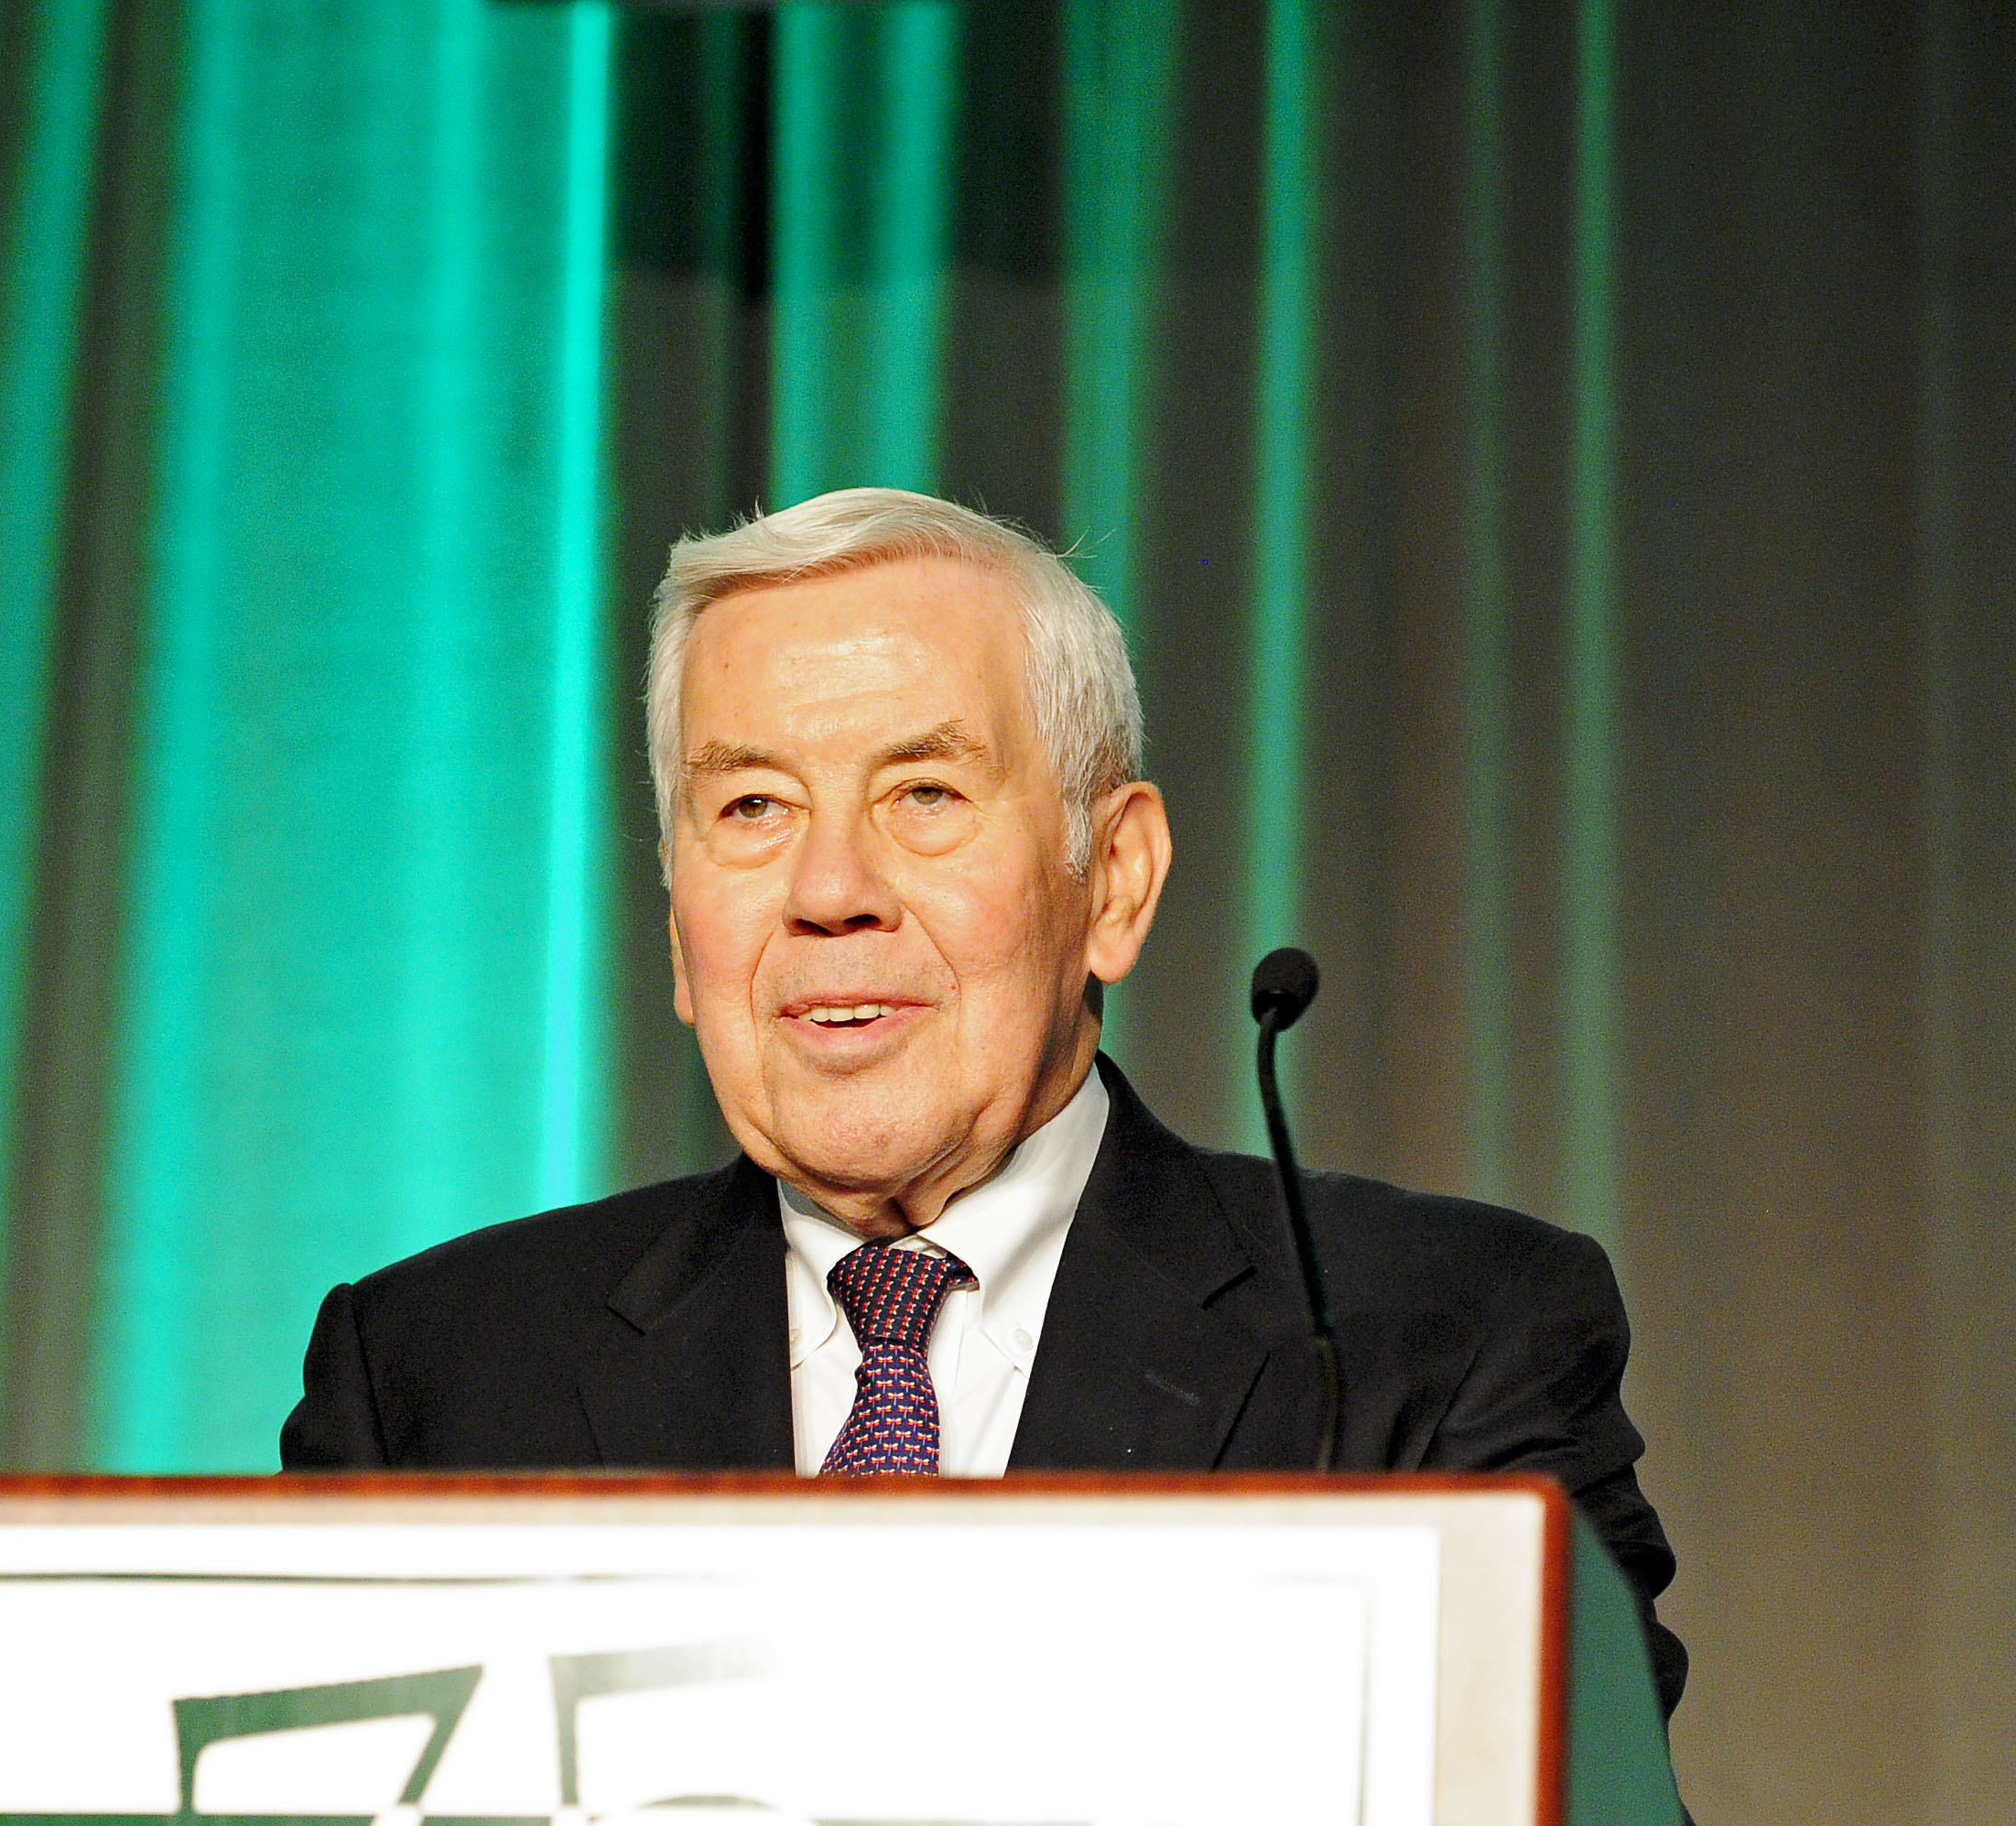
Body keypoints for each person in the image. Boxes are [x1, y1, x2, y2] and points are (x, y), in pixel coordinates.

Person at [280, 489, 1686, 1717]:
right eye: (754, 809)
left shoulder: (1427, 1348)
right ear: (676, 920)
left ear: (1116, 881)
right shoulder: (434, 1381)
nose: (831, 891)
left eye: (926, 793)